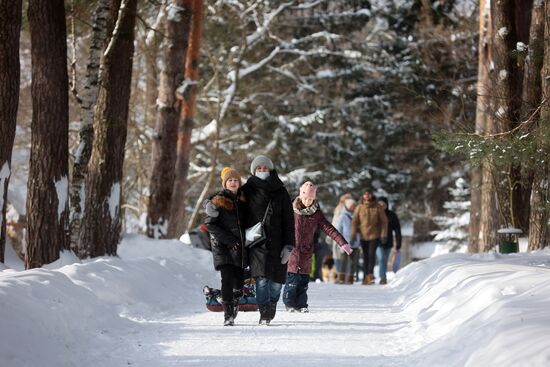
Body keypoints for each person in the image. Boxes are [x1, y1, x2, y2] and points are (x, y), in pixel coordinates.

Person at [241, 155, 295, 325]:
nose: (262, 171)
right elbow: (233, 208)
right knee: (261, 279)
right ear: (254, 171)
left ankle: (272, 304)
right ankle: (264, 311)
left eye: (265, 168)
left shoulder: (280, 190)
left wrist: (289, 245)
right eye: (259, 168)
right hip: (257, 241)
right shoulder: (247, 190)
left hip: (278, 241)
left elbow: (289, 219)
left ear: (270, 170)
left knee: (277, 282)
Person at [283, 181, 352, 312]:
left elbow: (329, 229)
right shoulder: (291, 211)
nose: (307, 201)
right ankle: (289, 303)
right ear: (300, 196)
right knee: (292, 279)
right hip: (292, 251)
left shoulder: (316, 214)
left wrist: (342, 243)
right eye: (305, 198)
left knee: (303, 281)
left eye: (310, 199)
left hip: (307, 251)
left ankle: (301, 305)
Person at [204, 167, 247, 326]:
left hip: (240, 248)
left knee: (239, 284)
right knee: (227, 280)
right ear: (225, 183)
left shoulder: (243, 201)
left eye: (236, 180)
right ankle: (228, 315)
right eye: (230, 180)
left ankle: (234, 303)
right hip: (223, 248)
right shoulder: (218, 201)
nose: (233, 182)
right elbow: (209, 225)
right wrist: (228, 240)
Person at [351, 190, 388, 285]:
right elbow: (355, 221)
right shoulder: (359, 207)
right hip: (363, 235)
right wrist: (353, 234)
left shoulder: (377, 207)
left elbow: (384, 221)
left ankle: (370, 276)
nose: (367, 196)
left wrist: (384, 234)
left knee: (371, 255)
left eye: (369, 194)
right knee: (365, 256)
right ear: (363, 196)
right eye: (365, 194)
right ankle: (365, 276)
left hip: (374, 235)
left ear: (371, 195)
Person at [335, 197, 361, 284]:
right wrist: (340, 242)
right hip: (345, 244)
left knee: (353, 262)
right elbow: (338, 230)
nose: (354, 207)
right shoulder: (342, 216)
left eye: (355, 206)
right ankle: (341, 278)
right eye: (352, 206)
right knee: (343, 261)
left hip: (355, 243)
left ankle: (350, 279)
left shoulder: (357, 215)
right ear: (348, 206)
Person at [376, 197, 402, 285]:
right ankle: (383, 277)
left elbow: (397, 229)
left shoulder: (392, 215)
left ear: (387, 205)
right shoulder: (374, 215)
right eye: (379, 204)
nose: (381, 206)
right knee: (382, 259)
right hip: (377, 242)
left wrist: (399, 242)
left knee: (385, 260)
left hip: (388, 242)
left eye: (383, 205)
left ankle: (383, 276)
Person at [330, 193, 353, 274]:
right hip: (336, 236)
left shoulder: (349, 212)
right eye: (341, 201)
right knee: (336, 256)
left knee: (344, 256)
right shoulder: (337, 210)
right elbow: (333, 223)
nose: (342, 202)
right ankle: (339, 273)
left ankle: (345, 274)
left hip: (345, 237)